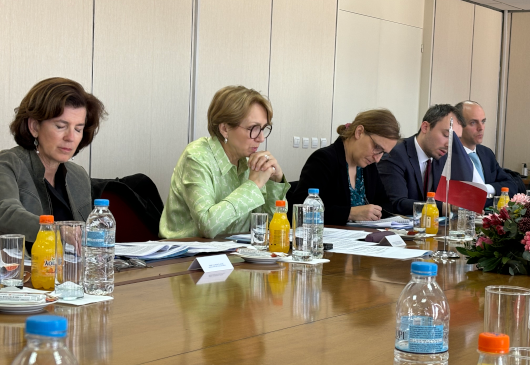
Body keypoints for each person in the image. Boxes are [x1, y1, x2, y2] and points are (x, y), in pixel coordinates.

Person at [159, 86, 290, 239]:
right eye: (253, 128)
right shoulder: (196, 157)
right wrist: (253, 185)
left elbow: (269, 226)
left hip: (235, 254)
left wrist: (276, 182)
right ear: (225, 129)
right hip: (185, 256)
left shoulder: (249, 160)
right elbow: (207, 226)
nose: (261, 138)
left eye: (263, 128)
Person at [0, 77, 107, 253]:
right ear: (34, 126)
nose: (70, 137)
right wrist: (56, 229)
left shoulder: (78, 176)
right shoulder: (8, 163)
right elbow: (5, 212)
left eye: (78, 129)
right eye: (60, 126)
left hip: (69, 275)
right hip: (21, 275)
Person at [289, 109, 400, 225]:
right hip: (327, 240)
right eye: (377, 147)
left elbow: (386, 205)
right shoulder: (323, 159)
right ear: (359, 132)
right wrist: (350, 213)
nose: (377, 158)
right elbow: (299, 210)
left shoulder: (368, 165)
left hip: (363, 238)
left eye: (383, 153)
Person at [378, 104, 465, 216]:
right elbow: (396, 204)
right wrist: (446, 208)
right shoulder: (395, 154)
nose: (449, 145)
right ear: (425, 127)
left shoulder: (443, 158)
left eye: (455, 141)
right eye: (446, 135)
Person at [456, 100, 516, 206]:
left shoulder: (486, 153)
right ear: (458, 125)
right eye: (473, 123)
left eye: (483, 121)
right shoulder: (447, 155)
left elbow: (511, 186)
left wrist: (486, 189)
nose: (481, 128)